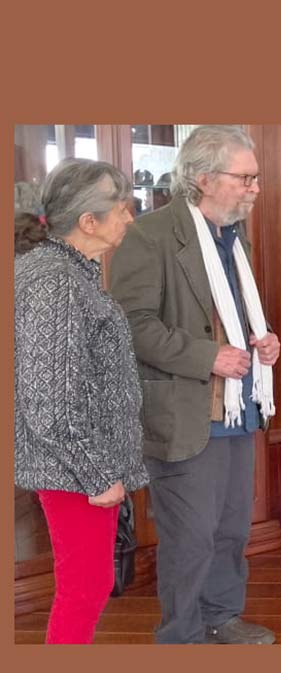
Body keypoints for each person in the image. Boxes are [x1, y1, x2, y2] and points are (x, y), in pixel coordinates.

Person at [109, 125, 281, 644]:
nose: (255, 188)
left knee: (231, 529)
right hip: (185, 413)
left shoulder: (234, 236)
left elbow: (229, 317)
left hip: (238, 408)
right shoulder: (151, 234)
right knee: (191, 537)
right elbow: (133, 324)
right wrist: (209, 357)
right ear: (204, 178)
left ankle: (222, 615)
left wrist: (263, 341)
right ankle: (181, 636)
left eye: (255, 178)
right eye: (245, 178)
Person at [14, 159, 146, 643]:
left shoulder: (66, 271)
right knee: (85, 587)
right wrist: (97, 474)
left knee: (88, 584)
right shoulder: (57, 281)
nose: (129, 217)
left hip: (76, 466)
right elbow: (49, 400)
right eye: (121, 208)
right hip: (73, 469)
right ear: (88, 222)